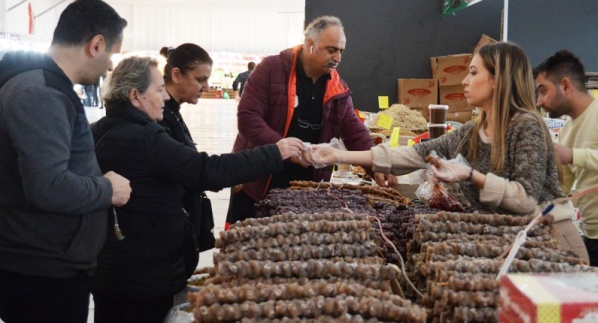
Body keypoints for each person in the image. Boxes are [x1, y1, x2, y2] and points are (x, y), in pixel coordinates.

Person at [307, 42, 589, 263]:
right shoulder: (472, 130)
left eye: (474, 72)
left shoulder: (527, 126)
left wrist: (471, 175)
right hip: (522, 242)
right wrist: (337, 156)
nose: (465, 81)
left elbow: (525, 198)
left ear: (497, 80)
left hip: (554, 241)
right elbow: (413, 155)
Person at [90, 56, 305, 322]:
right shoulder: (147, 138)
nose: (165, 98)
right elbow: (205, 170)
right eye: (158, 90)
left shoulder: (97, 131)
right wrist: (274, 153)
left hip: (107, 268)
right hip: (146, 274)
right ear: (135, 96)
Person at [0, 1, 131, 322]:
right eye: (112, 54)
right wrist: (106, 189)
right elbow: (48, 187)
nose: (111, 66)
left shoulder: (44, 87)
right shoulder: (40, 94)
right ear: (96, 44)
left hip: (47, 264)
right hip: (43, 273)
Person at [227, 15, 396, 224]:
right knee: (246, 247)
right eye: (331, 50)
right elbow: (248, 119)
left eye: (341, 51)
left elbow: (354, 131)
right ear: (310, 44)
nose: (338, 58)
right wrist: (282, 149)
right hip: (258, 181)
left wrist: (376, 167)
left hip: (305, 192)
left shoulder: (338, 88)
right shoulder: (270, 69)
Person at [534, 50, 598, 271]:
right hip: (593, 237)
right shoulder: (567, 130)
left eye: (543, 91)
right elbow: (562, 191)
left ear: (565, 86)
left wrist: (572, 155)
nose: (539, 101)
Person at [158, 43, 215, 251]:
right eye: (200, 79)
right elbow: (190, 169)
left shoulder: (172, 111)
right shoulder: (160, 115)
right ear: (176, 75)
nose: (207, 87)